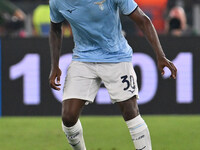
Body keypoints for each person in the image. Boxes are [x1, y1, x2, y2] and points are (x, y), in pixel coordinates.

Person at [49, 0, 177, 149]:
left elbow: (143, 20)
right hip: (83, 58)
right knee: (68, 117)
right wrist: (54, 65)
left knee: (130, 112)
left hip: (116, 57)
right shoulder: (57, 1)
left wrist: (160, 55)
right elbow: (55, 29)